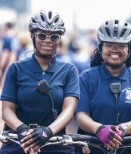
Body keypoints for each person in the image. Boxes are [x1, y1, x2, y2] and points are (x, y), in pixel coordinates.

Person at [0, 10, 79, 154]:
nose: (48, 40)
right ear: (32, 36)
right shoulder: (16, 69)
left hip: (55, 142)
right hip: (19, 141)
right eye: (42, 35)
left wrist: (48, 132)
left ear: (59, 40)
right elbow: (6, 110)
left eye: (54, 37)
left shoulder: (69, 70)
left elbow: (69, 109)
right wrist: (22, 130)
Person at [75, 19, 131, 154]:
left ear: (129, 49)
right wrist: (99, 128)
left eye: (121, 45)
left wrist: (123, 128)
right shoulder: (87, 77)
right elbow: (81, 116)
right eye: (109, 45)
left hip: (129, 149)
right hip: (93, 149)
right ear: (100, 48)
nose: (114, 50)